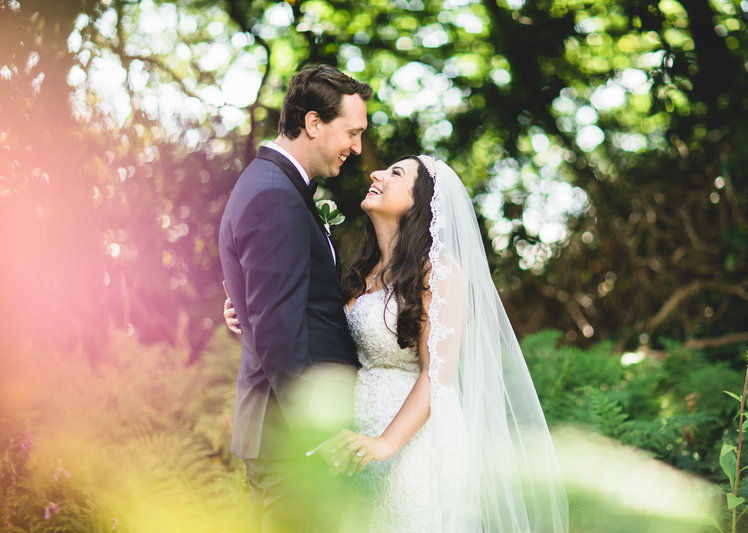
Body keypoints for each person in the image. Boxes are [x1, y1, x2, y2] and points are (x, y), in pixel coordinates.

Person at [225, 155, 569, 532]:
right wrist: (252, 314)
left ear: (419, 202)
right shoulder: (359, 272)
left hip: (413, 443)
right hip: (356, 438)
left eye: (395, 173)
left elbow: (437, 374)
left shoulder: (438, 274)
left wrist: (386, 443)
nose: (376, 174)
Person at [217, 64, 373, 533]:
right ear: (312, 124)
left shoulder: (275, 187)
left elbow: (276, 304)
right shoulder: (273, 195)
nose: (357, 147)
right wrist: (319, 436)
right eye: (352, 132)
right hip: (291, 441)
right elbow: (278, 332)